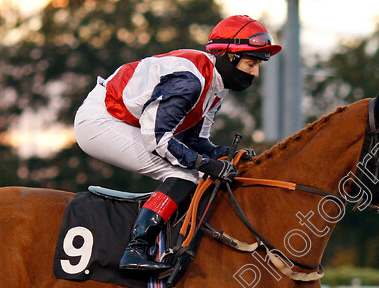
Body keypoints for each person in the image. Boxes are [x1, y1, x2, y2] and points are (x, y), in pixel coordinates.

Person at [74, 15, 281, 272]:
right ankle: (135, 249)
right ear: (229, 56)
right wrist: (207, 165)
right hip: (101, 121)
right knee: (183, 174)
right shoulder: (190, 81)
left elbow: (195, 140)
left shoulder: (216, 86)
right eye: (251, 63)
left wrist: (227, 154)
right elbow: (158, 139)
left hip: (126, 121)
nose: (256, 73)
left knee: (191, 169)